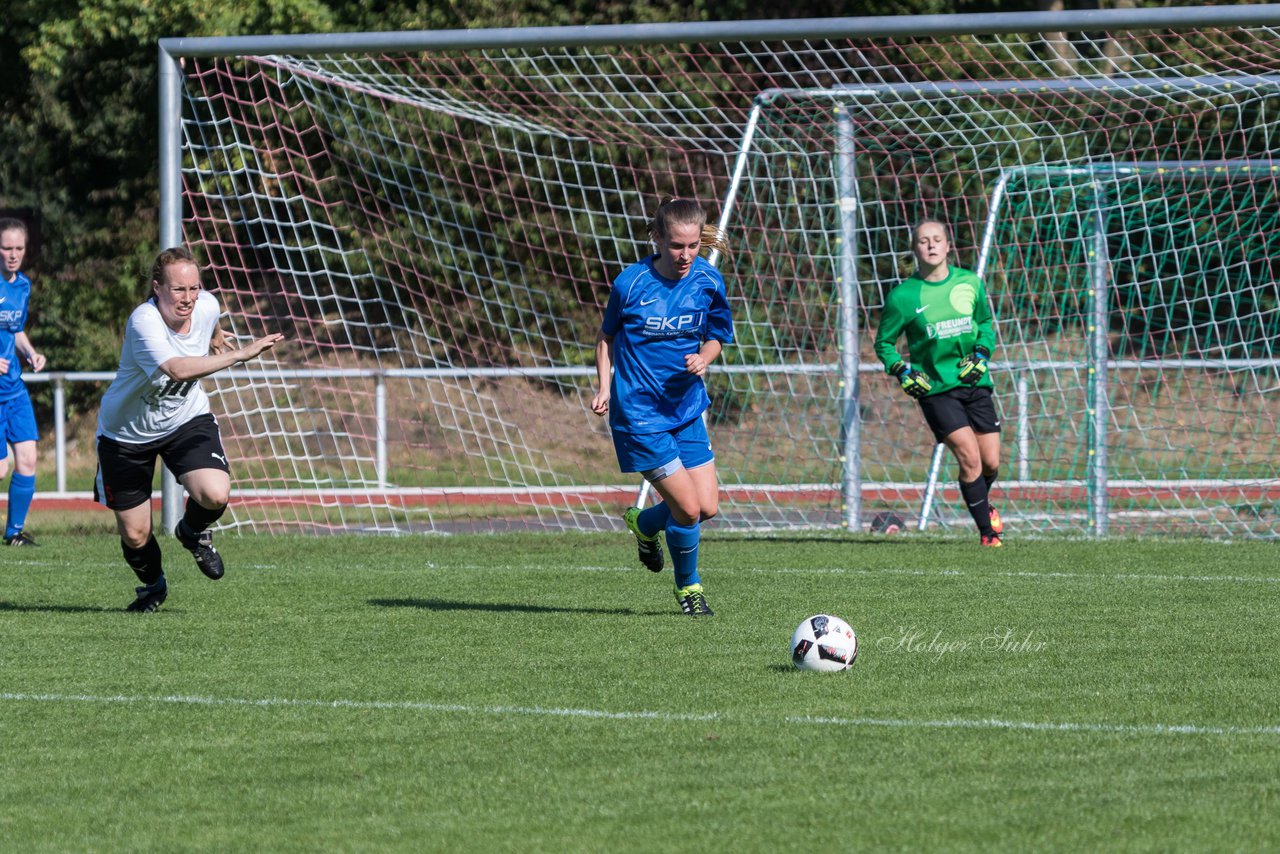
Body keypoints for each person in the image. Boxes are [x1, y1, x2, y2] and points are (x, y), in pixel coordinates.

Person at [95, 246, 283, 612]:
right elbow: (178, 369)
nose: (188, 298)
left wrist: (214, 336)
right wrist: (239, 354)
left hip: (185, 419)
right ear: (157, 289)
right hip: (126, 435)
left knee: (215, 493)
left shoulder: (207, 305)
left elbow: (209, 318)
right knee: (135, 534)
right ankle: (153, 585)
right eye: (178, 290)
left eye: (194, 288)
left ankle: (192, 532)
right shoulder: (143, 322)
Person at [591, 197, 734, 616]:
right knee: (687, 510)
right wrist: (604, 386)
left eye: (693, 245)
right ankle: (689, 589)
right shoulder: (631, 284)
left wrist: (705, 358)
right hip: (639, 416)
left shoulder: (707, 280)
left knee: (707, 508)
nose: (686, 254)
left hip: (686, 410)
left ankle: (644, 523)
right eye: (676, 245)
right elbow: (606, 338)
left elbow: (716, 335)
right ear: (657, 238)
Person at [874, 218, 1005, 546]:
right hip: (935, 389)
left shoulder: (969, 282)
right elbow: (884, 343)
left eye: (937, 239)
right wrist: (901, 371)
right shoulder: (903, 296)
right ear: (914, 249)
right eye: (923, 240)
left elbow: (985, 324)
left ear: (948, 246)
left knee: (990, 461)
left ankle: (982, 505)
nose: (931, 245)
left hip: (975, 383)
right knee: (969, 456)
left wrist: (981, 354)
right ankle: (987, 535)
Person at [0, 218, 47, 546]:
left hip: (14, 389)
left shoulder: (23, 286)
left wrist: (31, 353)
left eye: (18, 248)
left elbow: (15, 330)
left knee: (28, 459)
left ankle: (14, 532)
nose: (13, 254)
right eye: (6, 248)